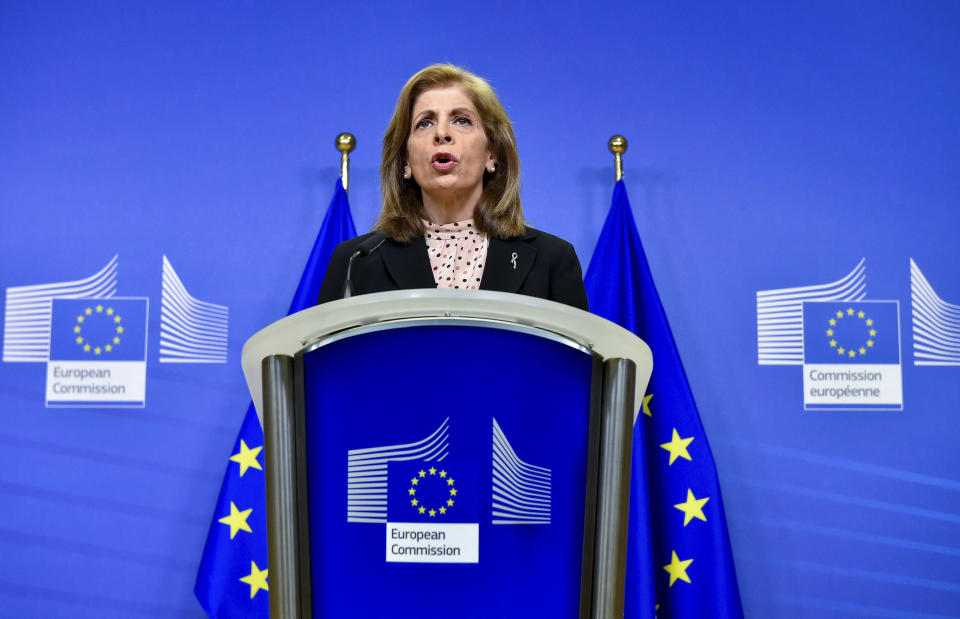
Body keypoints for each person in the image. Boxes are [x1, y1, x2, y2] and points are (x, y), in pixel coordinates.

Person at [317, 64, 588, 311]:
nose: (442, 133)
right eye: (425, 122)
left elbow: (572, 365)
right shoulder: (356, 261)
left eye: (462, 120)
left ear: (491, 155)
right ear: (405, 161)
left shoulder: (552, 259)